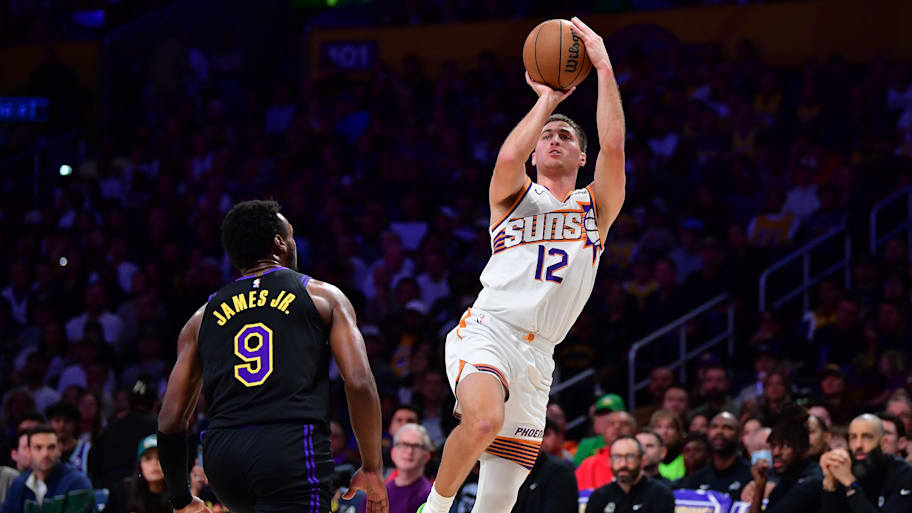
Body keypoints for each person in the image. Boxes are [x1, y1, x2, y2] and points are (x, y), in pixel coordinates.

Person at [420, 17, 627, 513]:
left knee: (499, 499)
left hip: (540, 358)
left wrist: (602, 66)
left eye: (566, 137)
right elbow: (507, 155)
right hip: (490, 330)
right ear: (536, 154)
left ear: (581, 157)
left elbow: (615, 146)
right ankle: (433, 508)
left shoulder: (594, 208)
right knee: (483, 421)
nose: (554, 139)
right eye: (547, 136)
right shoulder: (513, 196)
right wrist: (548, 102)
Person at [157, 200, 387, 513]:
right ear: (279, 243)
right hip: (288, 448)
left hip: (223, 457)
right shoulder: (321, 295)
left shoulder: (201, 317)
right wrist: (372, 466)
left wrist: (180, 499)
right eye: (290, 236)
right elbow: (359, 382)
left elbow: (170, 420)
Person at [820, 414, 912, 512]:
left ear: (883, 443)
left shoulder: (905, 473)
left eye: (867, 437)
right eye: (853, 437)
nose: (858, 445)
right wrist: (830, 483)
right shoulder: (843, 468)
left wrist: (851, 484)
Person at [745, 406, 822, 513]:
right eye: (773, 446)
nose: (776, 453)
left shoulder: (812, 482)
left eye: (785, 446)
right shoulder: (785, 481)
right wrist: (759, 487)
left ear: (803, 448)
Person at [0, 425, 93, 513]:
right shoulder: (19, 483)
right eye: (38, 448)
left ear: (59, 449)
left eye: (51, 447)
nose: (45, 454)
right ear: (28, 451)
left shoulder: (77, 483)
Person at [88, 379, 157, 489]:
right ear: (154, 404)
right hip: (143, 489)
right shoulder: (159, 427)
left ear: (129, 404)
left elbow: (94, 463)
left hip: (110, 488)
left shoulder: (111, 427)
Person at [583, 436, 675, 513]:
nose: (623, 464)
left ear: (642, 460)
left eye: (630, 457)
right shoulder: (599, 497)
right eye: (617, 457)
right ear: (609, 461)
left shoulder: (660, 494)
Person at [675, 412, 751, 500]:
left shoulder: (750, 475)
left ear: (740, 435)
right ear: (707, 432)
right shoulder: (695, 479)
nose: (719, 432)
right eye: (714, 427)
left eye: (727, 428)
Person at [104, 435, 169, 513]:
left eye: (160, 458)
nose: (154, 463)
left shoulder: (182, 495)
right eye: (148, 458)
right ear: (139, 465)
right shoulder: (122, 492)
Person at [575, 412, 636, 490]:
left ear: (634, 430)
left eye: (624, 424)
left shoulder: (642, 461)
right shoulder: (589, 465)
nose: (617, 427)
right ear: (604, 431)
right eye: (611, 424)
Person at [384, 424, 432, 513]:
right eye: (404, 444)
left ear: (427, 456)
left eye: (416, 446)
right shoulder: (378, 493)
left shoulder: (432, 497)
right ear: (393, 452)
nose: (409, 451)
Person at [574, 394, 627, 466]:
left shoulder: (633, 443)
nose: (604, 418)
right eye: (600, 414)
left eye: (609, 413)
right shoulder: (586, 444)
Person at [649, 409, 685, 480]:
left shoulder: (687, 455)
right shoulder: (644, 457)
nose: (664, 432)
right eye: (659, 427)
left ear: (678, 431)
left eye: (670, 427)